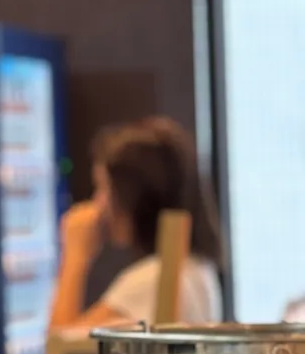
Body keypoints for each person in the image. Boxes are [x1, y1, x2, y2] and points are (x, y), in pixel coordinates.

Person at [49, 116, 224, 333]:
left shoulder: (152, 281)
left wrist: (74, 257)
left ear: (130, 196)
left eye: (103, 188)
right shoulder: (197, 267)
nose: (97, 204)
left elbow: (60, 353)